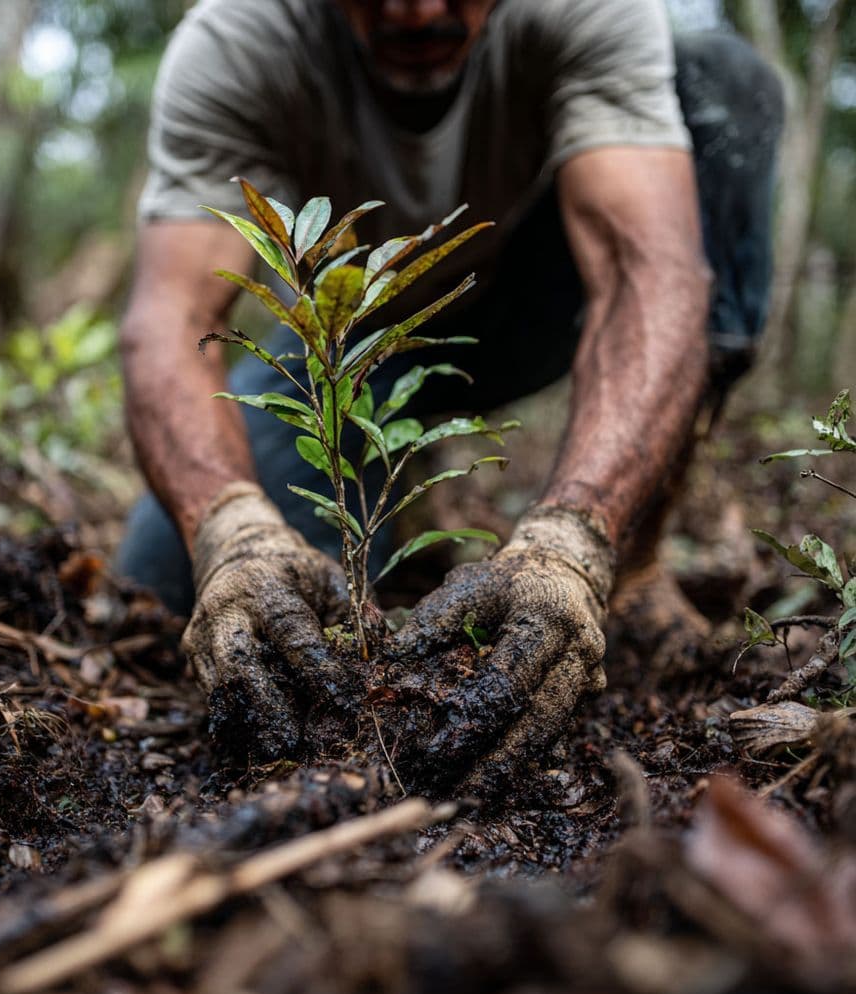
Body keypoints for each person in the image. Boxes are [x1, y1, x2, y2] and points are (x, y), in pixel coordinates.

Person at [117, 0, 784, 762]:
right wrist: (230, 532)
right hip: (360, 343)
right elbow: (170, 319)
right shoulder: (239, 39)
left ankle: (634, 567)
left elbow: (650, 274)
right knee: (164, 580)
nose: (418, 9)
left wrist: (576, 541)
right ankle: (399, 486)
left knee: (722, 83)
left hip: (536, 297)